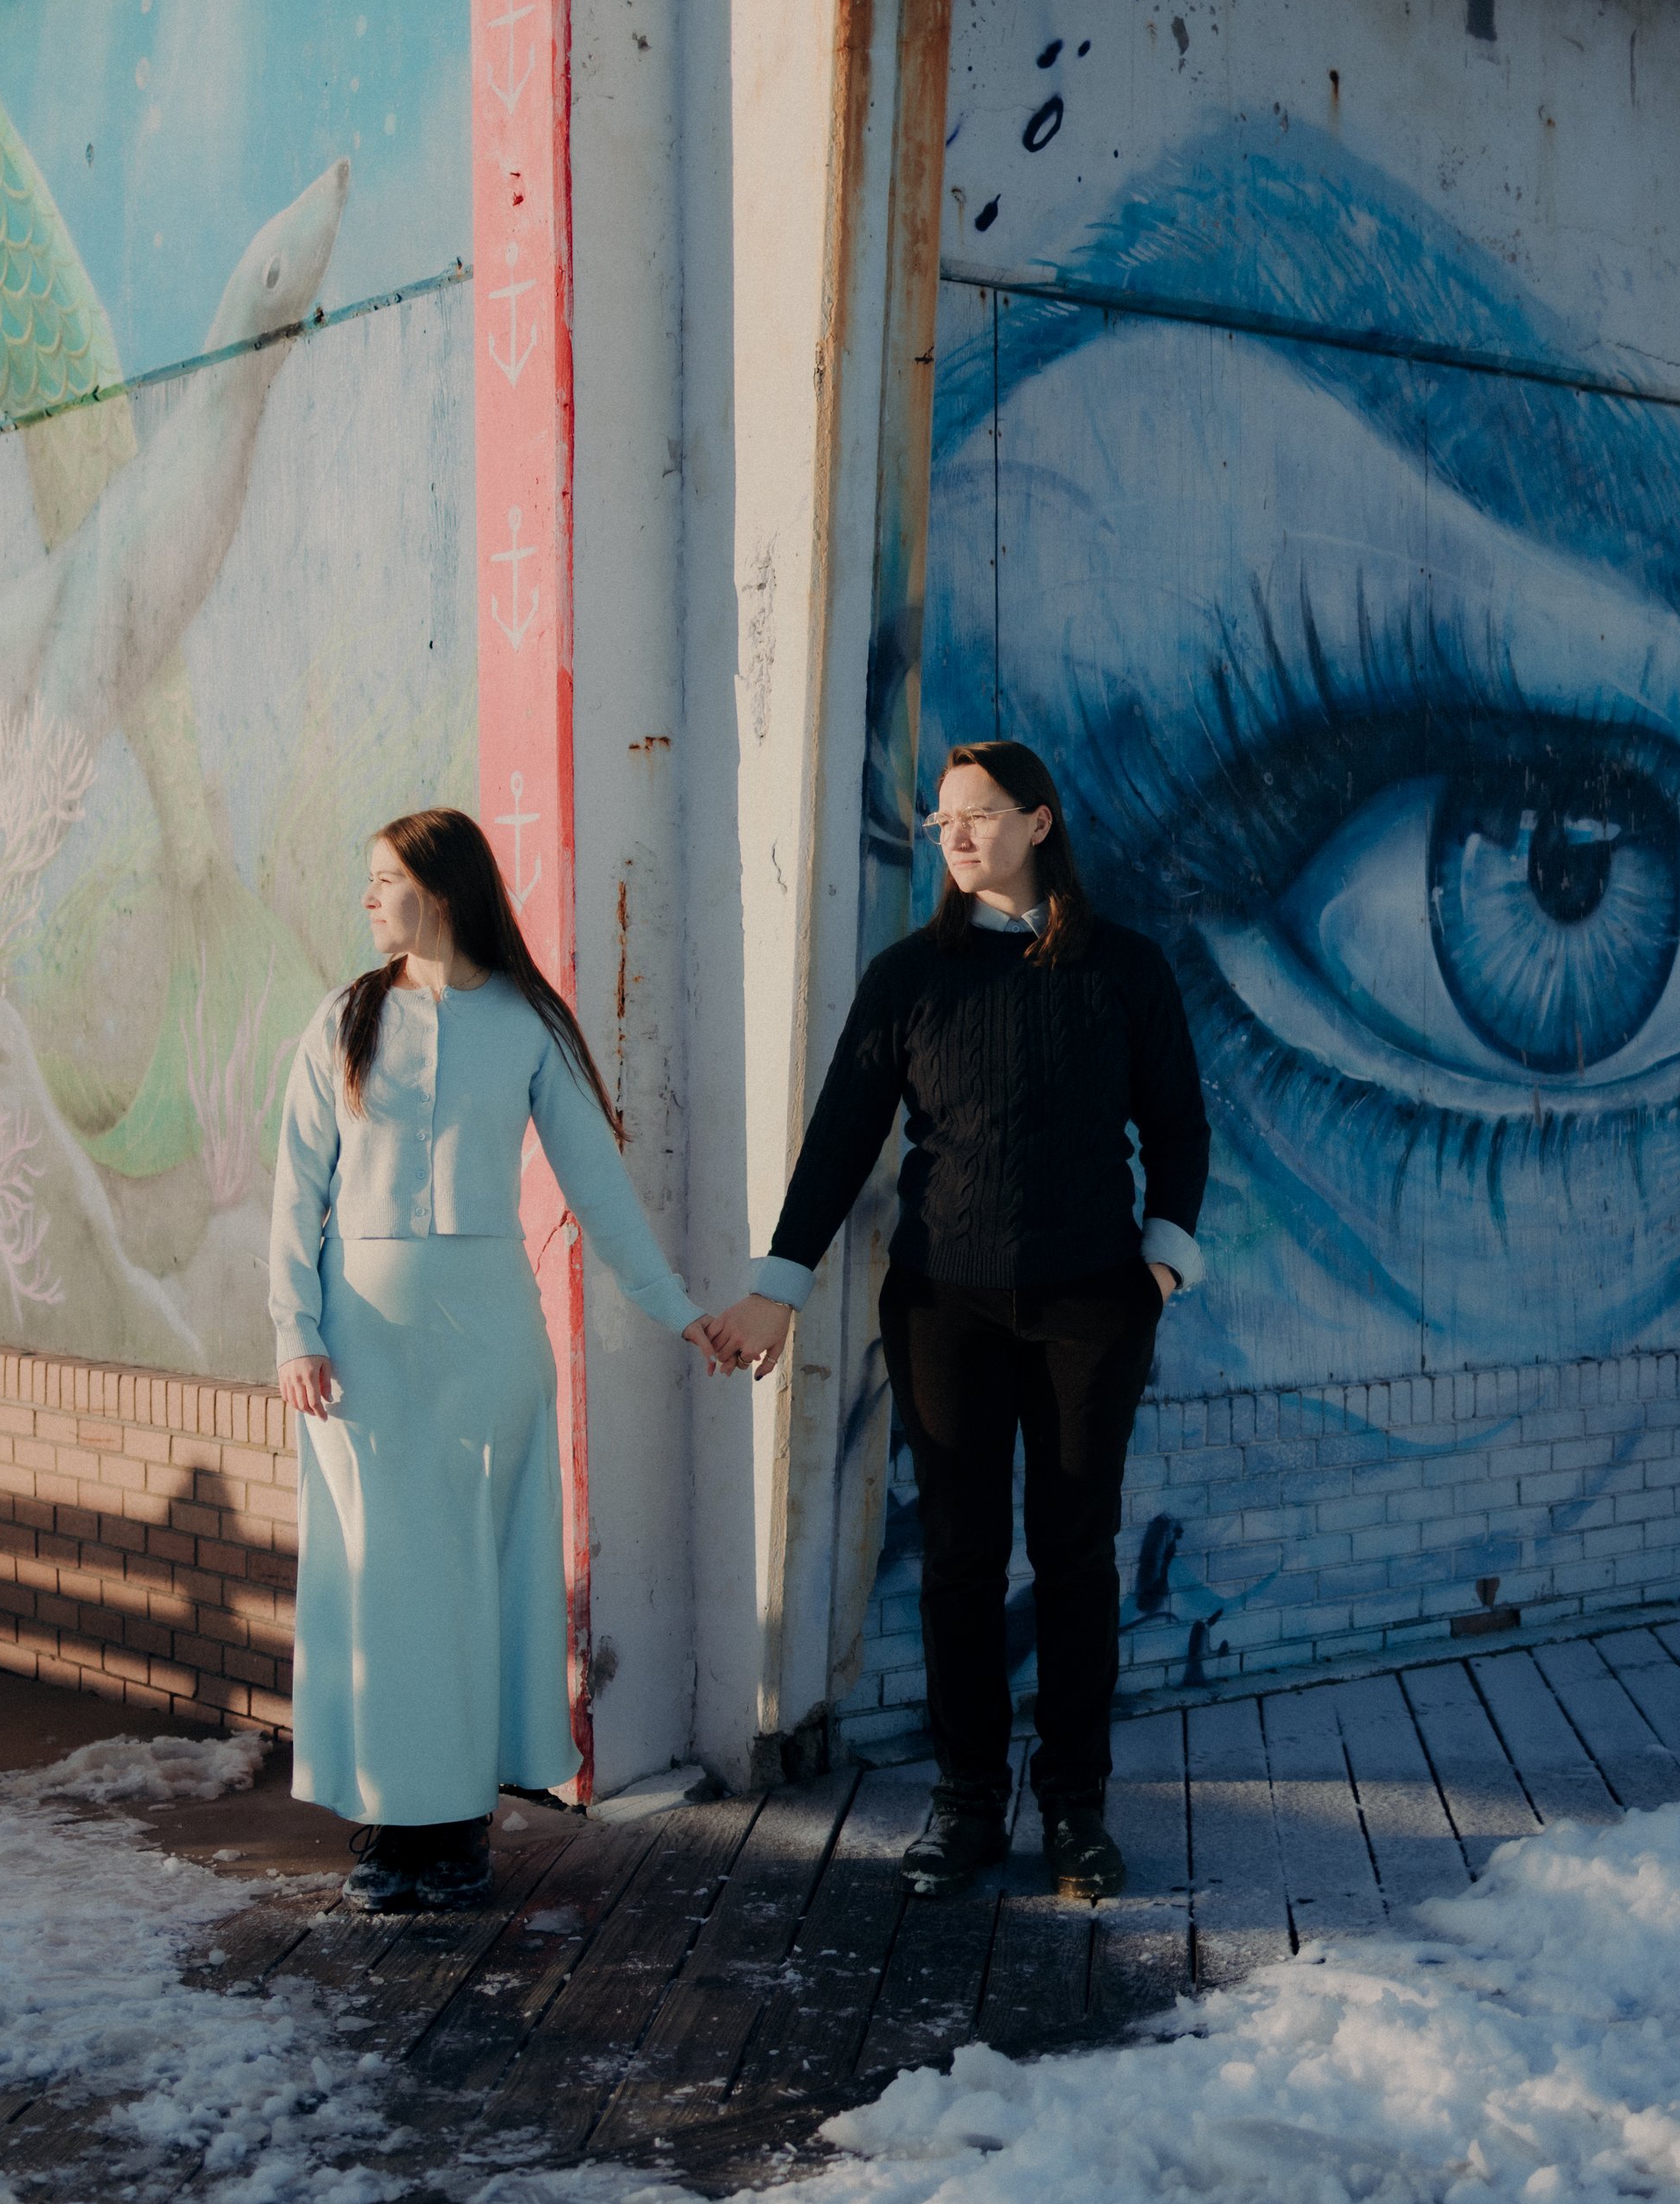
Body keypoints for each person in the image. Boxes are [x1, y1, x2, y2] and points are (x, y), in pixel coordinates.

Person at [705, 740, 1209, 1903]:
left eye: (980, 815)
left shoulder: (1124, 970)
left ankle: (1076, 1813)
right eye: (942, 822)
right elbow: (840, 1141)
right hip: (944, 1309)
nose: (958, 835)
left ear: (1040, 822)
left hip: (1092, 1306)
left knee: (1077, 1559)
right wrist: (775, 1284)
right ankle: (968, 1802)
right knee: (963, 1565)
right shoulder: (910, 979)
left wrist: (1162, 1269)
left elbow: (1180, 1130)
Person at [269, 808, 719, 1914]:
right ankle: (386, 1827)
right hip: (360, 1351)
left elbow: (598, 1190)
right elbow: (293, 1196)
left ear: (446, 887)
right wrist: (295, 1329)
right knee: (378, 1583)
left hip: (487, 1346)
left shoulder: (528, 1023)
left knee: (475, 1578)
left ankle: (460, 1824)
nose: (369, 900)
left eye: (386, 880)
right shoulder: (342, 1019)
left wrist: (679, 1311)